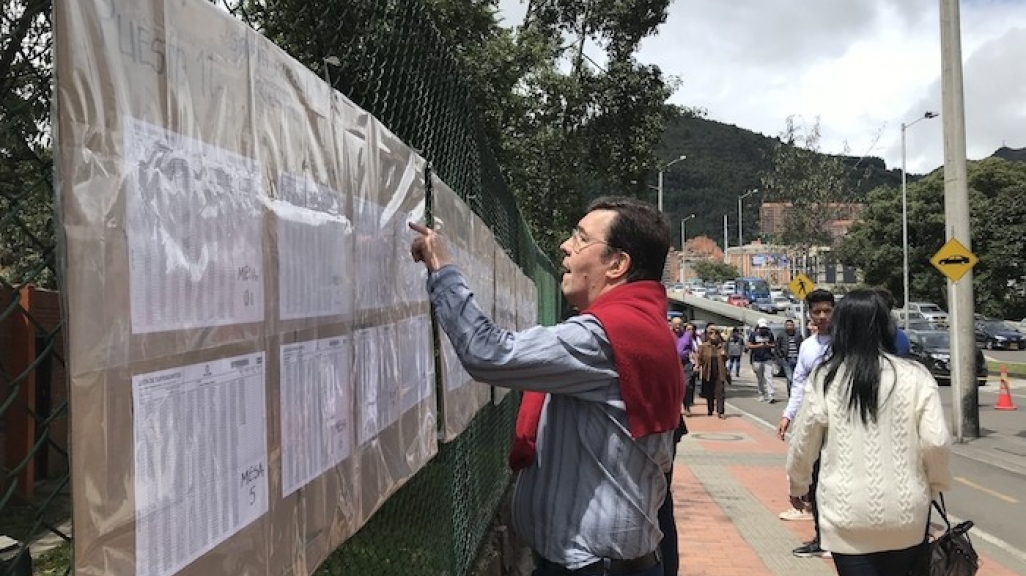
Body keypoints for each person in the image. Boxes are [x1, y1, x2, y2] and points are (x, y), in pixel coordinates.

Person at [409, 196, 683, 576]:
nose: (566, 246)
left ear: (618, 264)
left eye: (581, 238)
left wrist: (442, 268)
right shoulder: (642, 326)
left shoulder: (606, 336)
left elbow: (487, 353)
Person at [786, 289, 952, 576]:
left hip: (846, 512)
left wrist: (797, 484)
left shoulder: (827, 377)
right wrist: (935, 484)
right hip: (906, 512)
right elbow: (936, 441)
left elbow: (804, 442)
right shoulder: (915, 376)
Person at [776, 289, 834, 552]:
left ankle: (836, 537)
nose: (822, 316)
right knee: (815, 476)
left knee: (834, 481)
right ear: (810, 315)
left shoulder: (846, 343)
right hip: (813, 423)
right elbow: (799, 383)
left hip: (840, 425)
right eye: (817, 312)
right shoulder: (807, 347)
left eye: (827, 311)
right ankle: (821, 536)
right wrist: (788, 415)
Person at [695, 323, 729, 418]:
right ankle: (710, 410)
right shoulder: (703, 347)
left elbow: (726, 359)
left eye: (715, 333)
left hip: (720, 372)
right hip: (708, 373)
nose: (713, 335)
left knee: (720, 392)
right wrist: (697, 366)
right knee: (709, 392)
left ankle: (720, 411)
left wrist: (724, 355)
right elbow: (699, 358)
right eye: (710, 333)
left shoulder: (722, 346)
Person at [746, 318, 776, 403]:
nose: (763, 330)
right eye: (762, 328)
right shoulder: (754, 334)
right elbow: (748, 345)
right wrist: (758, 346)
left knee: (769, 376)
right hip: (757, 359)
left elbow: (774, 344)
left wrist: (768, 345)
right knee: (760, 378)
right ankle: (761, 394)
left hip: (768, 358)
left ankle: (771, 395)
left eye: (764, 328)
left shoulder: (769, 334)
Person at [774, 319, 803, 398]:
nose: (789, 327)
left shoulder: (797, 335)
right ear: (785, 326)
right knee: (790, 378)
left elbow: (802, 345)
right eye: (788, 325)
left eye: (791, 325)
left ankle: (796, 395)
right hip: (786, 359)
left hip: (797, 359)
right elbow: (777, 347)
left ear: (793, 326)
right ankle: (791, 395)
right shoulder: (781, 335)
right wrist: (780, 357)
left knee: (796, 378)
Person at [676, 321, 699, 416]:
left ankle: (687, 407)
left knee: (687, 385)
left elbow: (693, 351)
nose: (678, 326)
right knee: (675, 388)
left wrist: (697, 364)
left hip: (686, 364)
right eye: (676, 324)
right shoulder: (668, 334)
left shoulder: (687, 336)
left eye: (679, 324)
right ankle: (676, 409)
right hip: (673, 364)